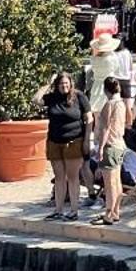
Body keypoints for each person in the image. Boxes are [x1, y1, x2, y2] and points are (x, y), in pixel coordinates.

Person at [39, 72, 89, 221]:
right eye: (61, 84)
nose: (64, 86)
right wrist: (48, 84)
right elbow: (36, 100)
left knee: (73, 177)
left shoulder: (79, 97)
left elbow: (89, 118)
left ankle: (74, 210)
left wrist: (86, 140)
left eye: (66, 83)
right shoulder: (53, 97)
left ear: (71, 83)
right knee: (59, 177)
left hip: (73, 141)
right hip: (55, 141)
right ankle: (58, 210)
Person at [91, 77, 130, 225]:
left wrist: (100, 148)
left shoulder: (109, 104)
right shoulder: (122, 104)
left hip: (111, 145)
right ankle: (116, 211)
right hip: (120, 143)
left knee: (109, 182)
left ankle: (108, 213)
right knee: (117, 180)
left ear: (105, 89)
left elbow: (106, 128)